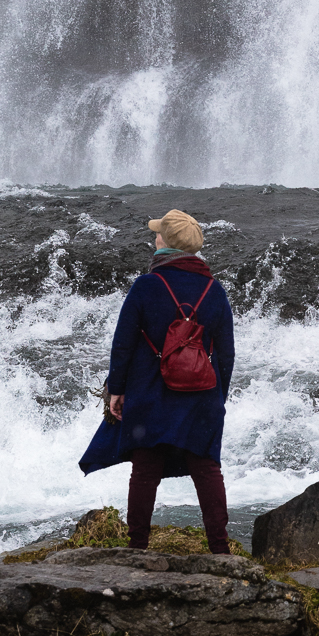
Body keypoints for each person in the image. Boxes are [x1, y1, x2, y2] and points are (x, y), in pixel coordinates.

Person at [79, 208, 235, 554]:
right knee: (207, 470)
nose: (154, 237)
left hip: (150, 394)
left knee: (145, 470)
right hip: (202, 395)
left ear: (166, 242)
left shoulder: (147, 286)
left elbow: (123, 343)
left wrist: (116, 390)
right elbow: (226, 354)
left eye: (158, 233)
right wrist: (216, 400)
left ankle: (137, 548)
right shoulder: (215, 290)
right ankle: (221, 551)